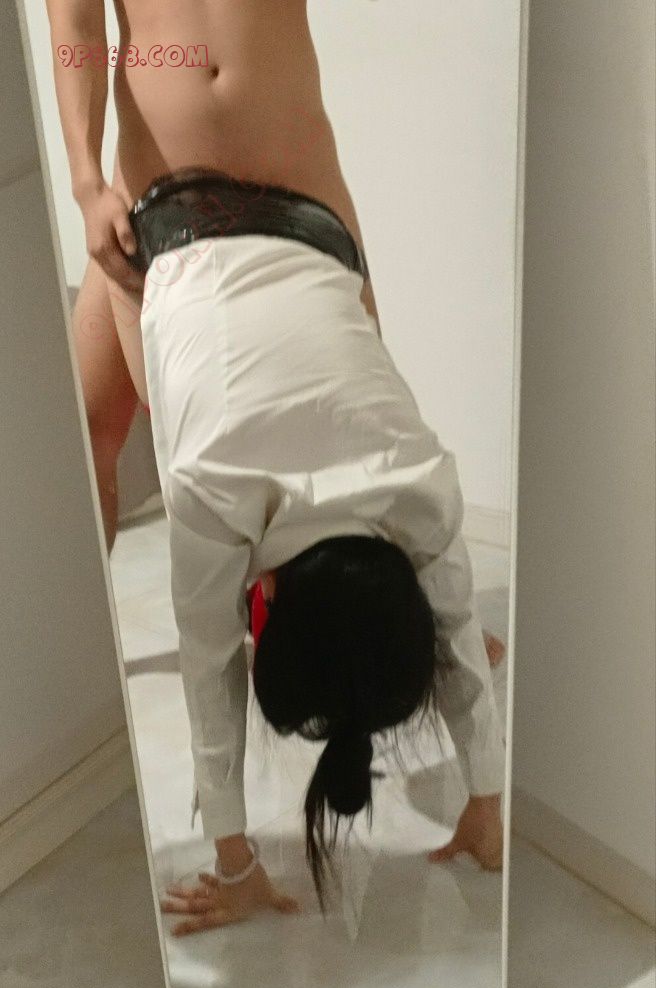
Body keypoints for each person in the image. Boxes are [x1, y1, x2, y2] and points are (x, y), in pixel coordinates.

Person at [45, 0, 506, 934]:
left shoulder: (246, 481)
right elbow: (78, 18)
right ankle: (72, 687)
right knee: (107, 431)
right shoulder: (381, 476)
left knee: (176, 439)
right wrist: (85, 179)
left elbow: (211, 665)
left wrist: (237, 858)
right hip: (217, 212)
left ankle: (362, 641)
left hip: (247, 207)